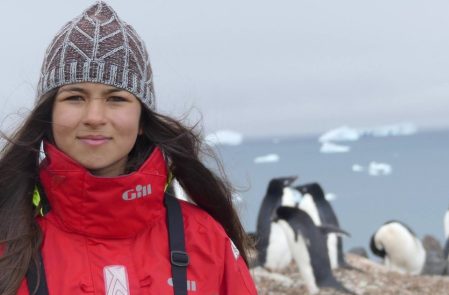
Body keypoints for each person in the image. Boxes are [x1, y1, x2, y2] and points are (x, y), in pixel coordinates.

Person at [0, 1, 258, 294]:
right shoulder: (9, 245)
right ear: (49, 114)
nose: (94, 117)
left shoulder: (204, 240)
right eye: (75, 97)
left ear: (142, 119)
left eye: (116, 99)